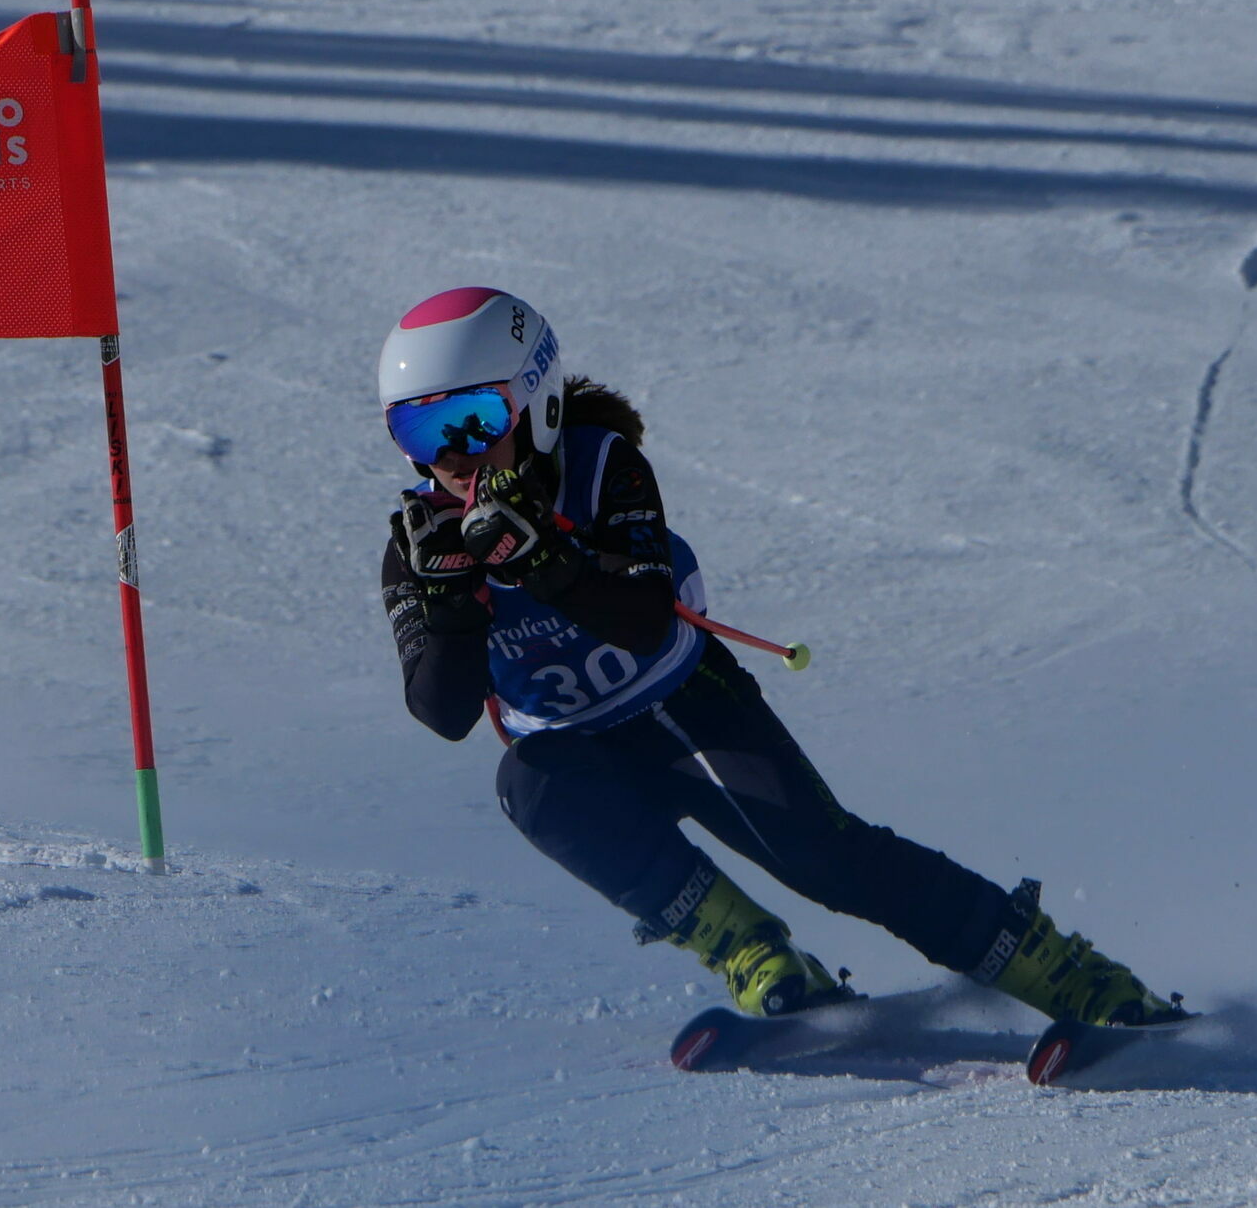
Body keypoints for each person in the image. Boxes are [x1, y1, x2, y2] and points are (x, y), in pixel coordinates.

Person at [376, 287, 1188, 1025]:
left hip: (687, 707)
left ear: (539, 403)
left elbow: (643, 620)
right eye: (419, 431)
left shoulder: (600, 468)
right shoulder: (419, 545)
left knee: (826, 861)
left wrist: (545, 562)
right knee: (526, 782)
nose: (453, 457)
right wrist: (451, 603)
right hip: (580, 758)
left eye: (473, 421)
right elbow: (443, 712)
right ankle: (751, 951)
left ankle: (1065, 973)